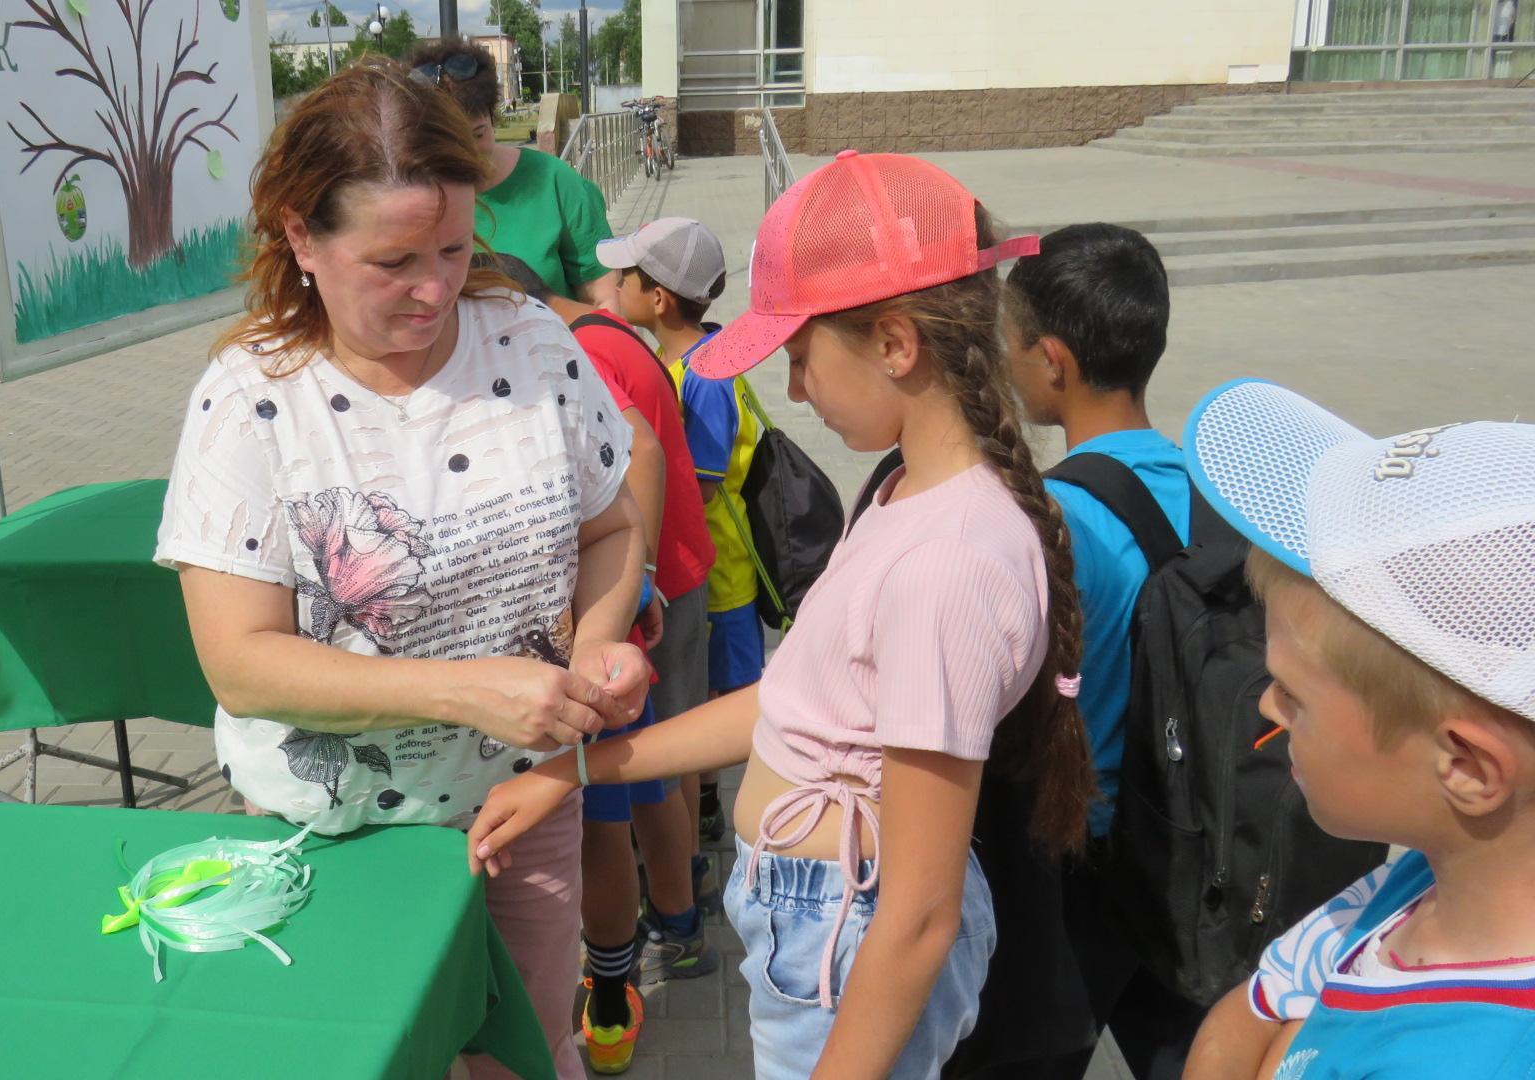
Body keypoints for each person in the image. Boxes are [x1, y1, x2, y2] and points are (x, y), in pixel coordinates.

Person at [466, 151, 1098, 1079]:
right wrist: (575, 771)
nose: (796, 390)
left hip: (849, 941)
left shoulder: (945, 565)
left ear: (894, 342)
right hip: (823, 925)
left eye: (802, 357)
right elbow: (792, 700)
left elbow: (918, 915)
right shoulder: (902, 495)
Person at [152, 61, 650, 1080]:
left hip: (524, 803)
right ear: (301, 238)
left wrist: (595, 656)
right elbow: (242, 665)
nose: (434, 290)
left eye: (457, 249)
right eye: (392, 262)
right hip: (336, 838)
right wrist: (465, 692)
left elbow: (612, 527)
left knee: (523, 1053)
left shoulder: (531, 337)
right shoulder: (252, 397)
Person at [1173, 380, 1535, 1078]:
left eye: (1293, 693)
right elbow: (1247, 1010)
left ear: (1464, 767)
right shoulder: (1433, 880)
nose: (1268, 710)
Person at [956, 223, 1205, 1077]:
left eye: (1013, 345)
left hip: (1086, 863)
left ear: (1052, 362)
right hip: (1192, 840)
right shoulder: (1209, 484)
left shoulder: (1054, 523)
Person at [486, 252, 719, 1072]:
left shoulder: (557, 348)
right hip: (637, 610)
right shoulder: (597, 336)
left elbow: (641, 453)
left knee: (605, 821)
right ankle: (681, 920)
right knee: (650, 783)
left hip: (618, 622)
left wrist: (631, 586)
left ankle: (620, 981)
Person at [602, 217, 760, 847]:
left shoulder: (705, 375)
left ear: (659, 298)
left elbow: (702, 483)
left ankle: (714, 814)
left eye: (627, 277)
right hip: (708, 565)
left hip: (719, 574)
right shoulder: (681, 361)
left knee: (715, 697)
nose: (615, 284)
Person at [406, 38, 617, 309]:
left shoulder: (553, 181)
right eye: (450, 141)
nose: (467, 153)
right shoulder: (410, 197)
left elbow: (603, 296)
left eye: (478, 134)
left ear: (492, 118)